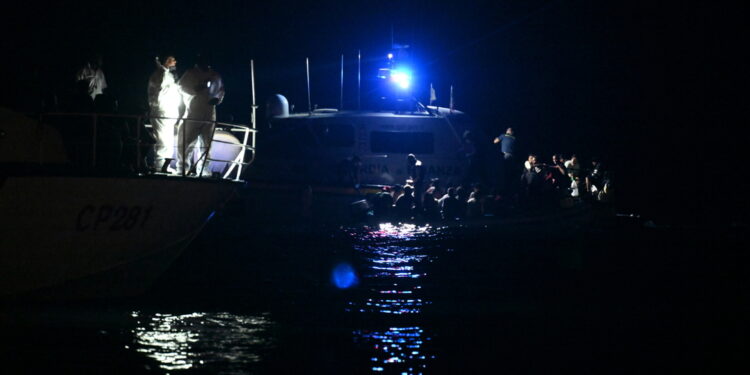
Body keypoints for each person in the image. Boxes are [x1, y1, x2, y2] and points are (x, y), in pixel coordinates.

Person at [177, 54, 224, 176]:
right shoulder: (191, 73)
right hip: (193, 112)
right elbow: (181, 87)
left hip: (209, 113)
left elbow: (221, 91)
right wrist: (195, 89)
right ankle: (182, 169)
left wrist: (217, 99)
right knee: (187, 142)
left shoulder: (215, 75)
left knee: (207, 144)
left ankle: (203, 170)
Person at [148, 55, 182, 172]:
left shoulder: (168, 75)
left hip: (168, 113)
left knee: (167, 140)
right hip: (162, 112)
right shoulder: (160, 74)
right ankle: (159, 165)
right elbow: (158, 94)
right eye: (172, 60)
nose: (175, 62)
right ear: (166, 61)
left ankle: (164, 165)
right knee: (162, 140)